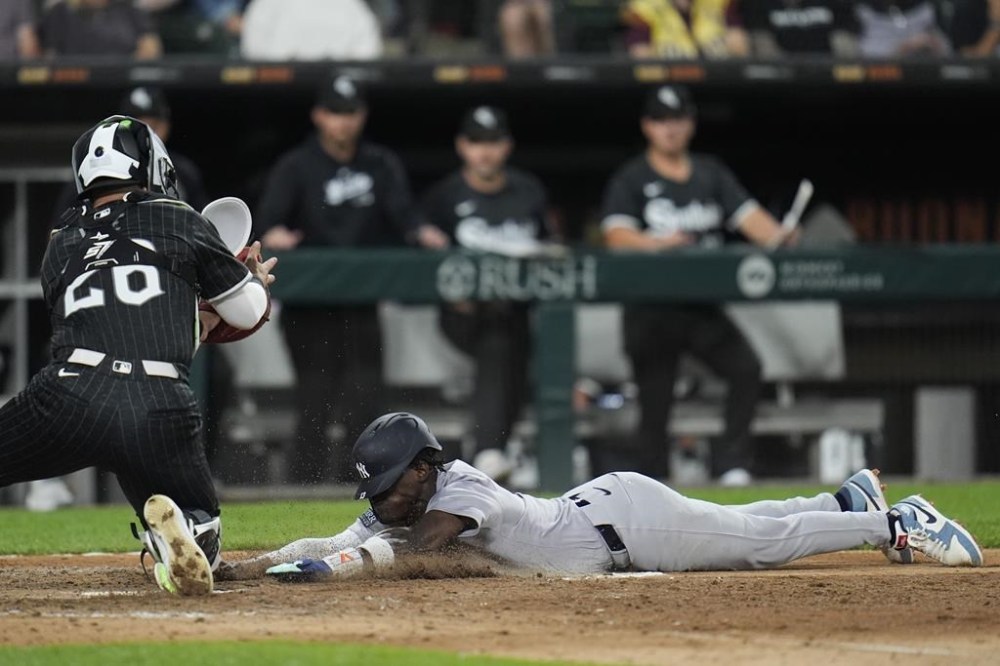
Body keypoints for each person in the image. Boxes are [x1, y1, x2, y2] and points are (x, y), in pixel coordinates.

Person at [0, 115, 277, 595]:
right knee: (200, 522)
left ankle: (169, 527)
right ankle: (184, 531)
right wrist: (247, 282)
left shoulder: (59, 244)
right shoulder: (178, 216)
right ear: (153, 165)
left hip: (69, 394)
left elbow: (108, 325)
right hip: (159, 400)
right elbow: (248, 311)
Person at [217, 412, 982, 581]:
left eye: (390, 487)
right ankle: (841, 502)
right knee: (739, 521)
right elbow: (337, 539)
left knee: (754, 545)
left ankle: (891, 522)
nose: (382, 503)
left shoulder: (454, 492)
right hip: (606, 510)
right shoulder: (409, 499)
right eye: (375, 495)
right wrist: (249, 571)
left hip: (629, 525)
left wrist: (337, 570)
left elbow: (412, 554)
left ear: (421, 468)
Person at [600, 85, 798, 487]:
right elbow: (616, 236)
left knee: (746, 367)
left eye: (677, 120)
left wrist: (779, 236)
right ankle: (650, 481)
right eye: (661, 121)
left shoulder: (710, 173)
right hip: (650, 306)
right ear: (647, 127)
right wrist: (656, 244)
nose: (670, 129)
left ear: (689, 125)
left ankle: (732, 465)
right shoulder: (633, 177)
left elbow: (752, 222)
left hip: (700, 307)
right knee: (656, 398)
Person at [255, 75, 448, 485]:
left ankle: (364, 485)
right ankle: (302, 486)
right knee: (315, 397)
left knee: (366, 397)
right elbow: (269, 221)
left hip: (361, 299)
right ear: (319, 116)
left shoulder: (379, 163)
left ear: (362, 116)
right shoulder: (297, 165)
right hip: (310, 302)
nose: (343, 122)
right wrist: (275, 234)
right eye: (335, 113)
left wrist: (421, 232)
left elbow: (405, 216)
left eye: (351, 113)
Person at [421, 105, 560, 481]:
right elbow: (424, 260)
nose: (485, 151)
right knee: (497, 340)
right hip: (462, 314)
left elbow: (552, 251)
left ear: (507, 146)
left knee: (514, 335)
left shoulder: (528, 190)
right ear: (462, 146)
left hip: (517, 310)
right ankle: (488, 449)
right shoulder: (445, 195)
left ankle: (496, 447)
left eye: (493, 142)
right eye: (476, 142)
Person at [53, 86, 209, 222]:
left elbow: (203, 223)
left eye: (154, 126)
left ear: (167, 126)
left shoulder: (183, 172)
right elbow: (59, 233)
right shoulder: (98, 170)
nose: (147, 133)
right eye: (137, 125)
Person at [240, 0, 382, 60]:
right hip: (279, 94)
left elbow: (367, 56)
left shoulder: (353, 7)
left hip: (335, 100)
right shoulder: (266, 5)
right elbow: (253, 53)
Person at [621, 0, 749, 59]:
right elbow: (642, 58)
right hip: (668, 83)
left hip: (718, 81)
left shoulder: (717, 2)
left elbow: (739, 48)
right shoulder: (644, 7)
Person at [39, 0, 163, 60]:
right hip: (73, 88)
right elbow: (50, 58)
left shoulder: (129, 9)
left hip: (124, 86)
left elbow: (150, 48)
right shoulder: (61, 12)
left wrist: (121, 72)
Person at [741, 0, 860, 57]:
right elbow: (761, 40)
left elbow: (847, 35)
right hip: (780, 79)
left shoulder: (836, 3)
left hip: (828, 69)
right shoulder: (756, 3)